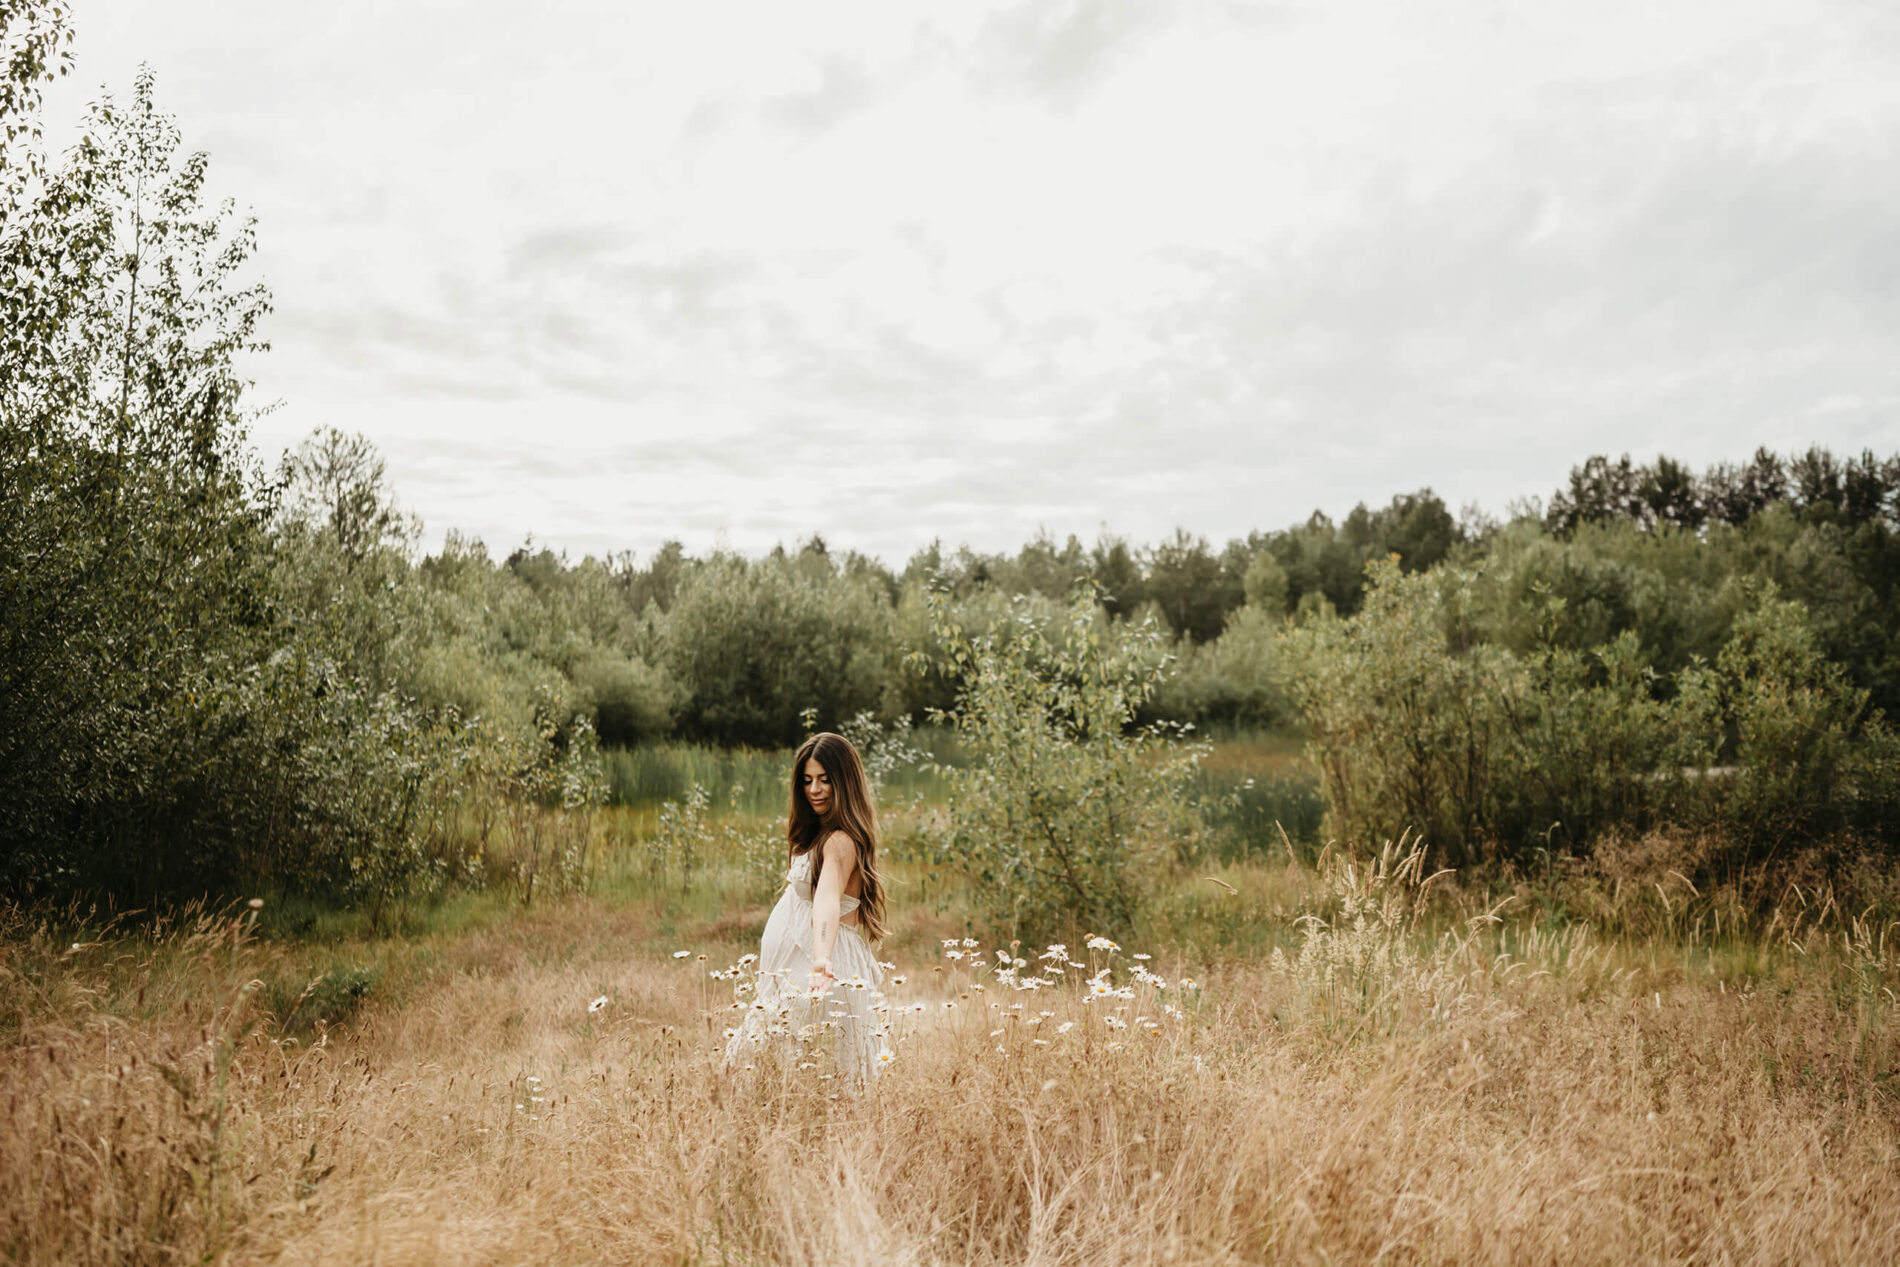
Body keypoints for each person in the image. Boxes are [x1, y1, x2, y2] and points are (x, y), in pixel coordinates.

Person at [722, 731, 890, 1087]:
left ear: (845, 782)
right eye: (808, 780)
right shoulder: (819, 835)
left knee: (813, 1069)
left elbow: (827, 899)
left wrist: (821, 957)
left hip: (819, 964)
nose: (814, 789)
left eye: (825, 780)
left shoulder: (841, 841)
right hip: (794, 967)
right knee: (779, 1065)